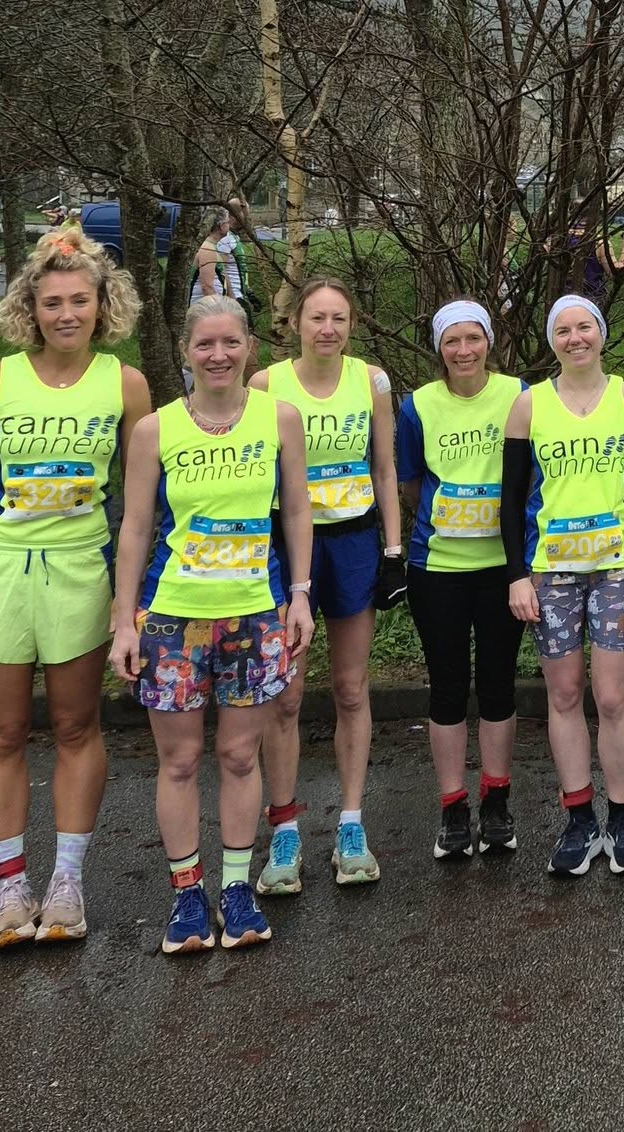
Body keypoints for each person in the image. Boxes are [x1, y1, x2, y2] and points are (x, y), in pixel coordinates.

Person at [0, 228, 152, 951]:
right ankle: (7, 890)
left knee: (75, 727)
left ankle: (66, 885)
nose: (65, 314)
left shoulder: (125, 383)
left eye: (79, 300)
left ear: (102, 304)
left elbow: (142, 502)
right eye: (52, 301)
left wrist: (134, 594)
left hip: (81, 572)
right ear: (31, 306)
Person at [110, 295, 315, 954]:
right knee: (179, 759)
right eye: (205, 345)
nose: (219, 355)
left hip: (254, 613)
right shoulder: (155, 431)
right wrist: (123, 621)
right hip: (172, 618)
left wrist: (301, 595)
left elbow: (298, 515)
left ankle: (235, 887)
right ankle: (186, 895)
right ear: (185, 351)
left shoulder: (280, 418)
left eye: (230, 343)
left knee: (236, 753)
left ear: (250, 347)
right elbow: (136, 527)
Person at [249, 279, 402, 893]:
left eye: (339, 318)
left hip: (356, 542)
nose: (328, 329)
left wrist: (394, 552)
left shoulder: (372, 380)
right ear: (295, 324)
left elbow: (385, 467)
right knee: (284, 695)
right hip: (288, 549)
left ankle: (351, 823)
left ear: (352, 324)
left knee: (350, 686)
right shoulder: (265, 385)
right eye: (317, 318)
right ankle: (283, 829)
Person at [502, 295, 624, 876]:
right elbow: (512, 498)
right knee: (564, 696)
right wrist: (518, 574)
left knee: (613, 698)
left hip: (619, 565)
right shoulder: (528, 405)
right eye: (562, 330)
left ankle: (621, 816)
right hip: (552, 571)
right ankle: (578, 817)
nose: (575, 338)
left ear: (601, 332)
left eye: (584, 326)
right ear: (552, 341)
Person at [398, 300, 527, 857]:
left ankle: (496, 799)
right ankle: (452, 807)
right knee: (447, 686)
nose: (464, 350)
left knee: (498, 682)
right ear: (438, 349)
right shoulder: (417, 406)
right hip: (439, 566)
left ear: (489, 342)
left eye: (473, 338)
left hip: (503, 567)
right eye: (452, 341)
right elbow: (409, 483)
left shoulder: (519, 395)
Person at [191, 210, 231, 302]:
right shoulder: (208, 249)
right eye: (228, 222)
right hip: (204, 310)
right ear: (221, 226)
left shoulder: (212, 246)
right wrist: (217, 310)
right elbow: (207, 287)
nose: (230, 225)